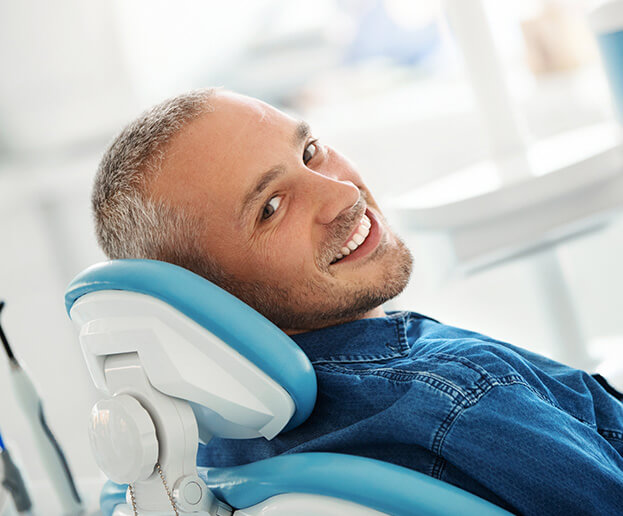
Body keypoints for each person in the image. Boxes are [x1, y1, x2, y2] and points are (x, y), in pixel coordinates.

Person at [93, 88, 623, 515]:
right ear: (206, 295)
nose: (342, 194)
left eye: (309, 151)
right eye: (271, 207)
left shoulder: (207, 456)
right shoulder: (460, 395)